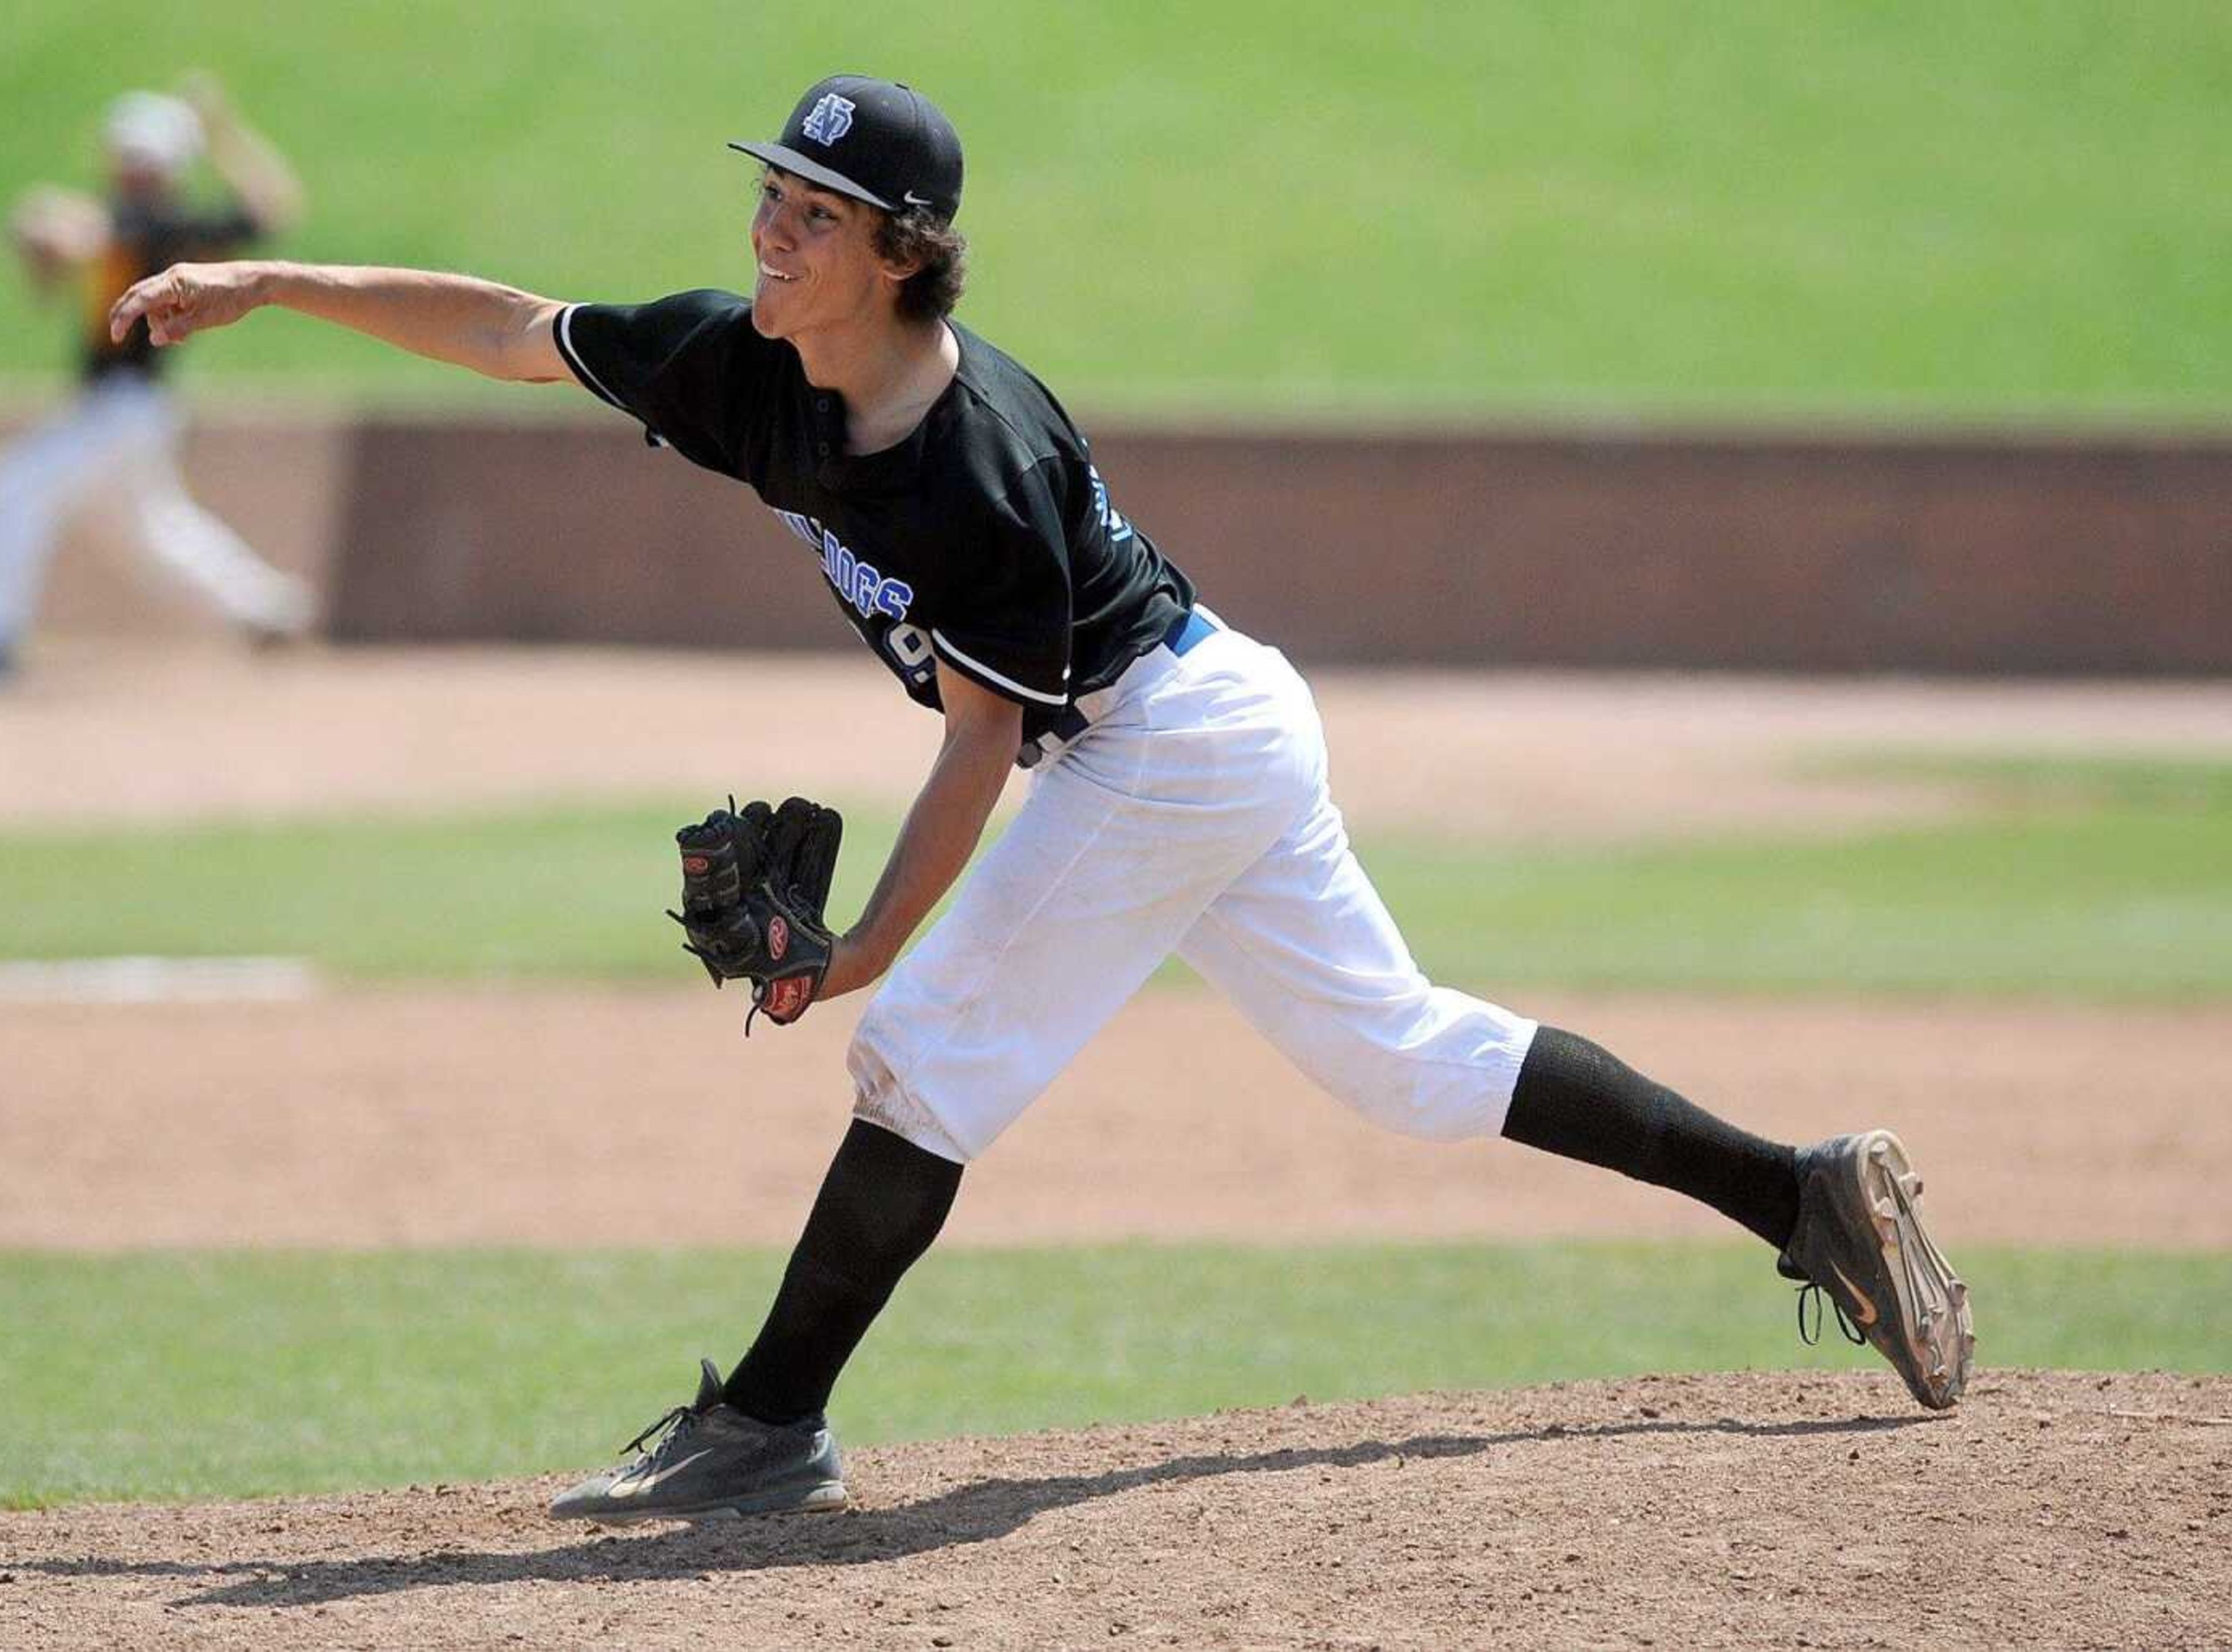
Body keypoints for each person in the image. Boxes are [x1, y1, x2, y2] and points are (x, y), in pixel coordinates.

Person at [109, 74, 1975, 1523]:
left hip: (1164, 740)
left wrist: (850, 958)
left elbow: (983, 750)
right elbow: (516, 330)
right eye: (770, 193)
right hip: (1206, 717)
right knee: (1403, 1060)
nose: (772, 232)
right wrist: (273, 284)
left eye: (815, 215)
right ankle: (1797, 1191)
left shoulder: (975, 467)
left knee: (921, 1053)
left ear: (904, 249)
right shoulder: (735, 361)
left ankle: (766, 1426)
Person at [0, 77, 316, 688]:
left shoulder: (157, 224)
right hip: (125, 413)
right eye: (127, 156)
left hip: (123, 409)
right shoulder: (156, 221)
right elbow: (267, 207)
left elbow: (270, 203)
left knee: (8, 488)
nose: (131, 169)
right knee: (157, 532)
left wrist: (221, 133)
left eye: (143, 159)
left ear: (167, 168)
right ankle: (265, 608)